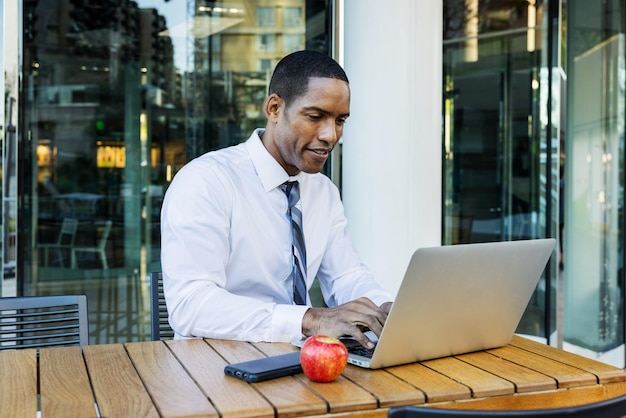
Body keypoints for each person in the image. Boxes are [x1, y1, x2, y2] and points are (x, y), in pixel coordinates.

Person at [160, 50, 393, 349]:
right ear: (274, 108)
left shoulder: (322, 191)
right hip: (214, 366)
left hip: (301, 362)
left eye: (340, 120)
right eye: (315, 116)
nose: (331, 135)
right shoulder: (207, 181)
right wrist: (309, 319)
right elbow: (191, 306)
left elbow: (346, 276)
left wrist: (385, 310)